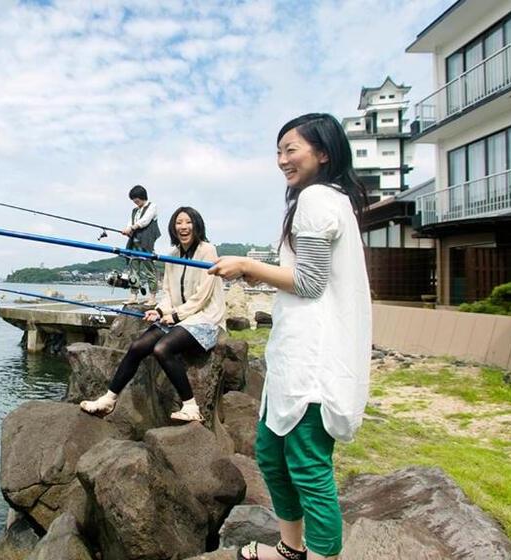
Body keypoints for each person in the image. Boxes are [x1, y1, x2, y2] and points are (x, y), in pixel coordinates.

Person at [209, 113, 371, 560]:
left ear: (323, 153)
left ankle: (320, 554)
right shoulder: (320, 199)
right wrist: (255, 273)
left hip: (314, 359)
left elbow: (311, 281)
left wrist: (246, 265)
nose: (282, 160)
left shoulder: (318, 198)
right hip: (294, 353)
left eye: (291, 150)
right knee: (271, 454)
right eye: (279, 151)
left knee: (306, 464)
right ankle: (290, 548)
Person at [81, 206, 226, 422]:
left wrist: (175, 316)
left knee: (162, 348)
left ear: (197, 225)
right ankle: (109, 400)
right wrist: (159, 310)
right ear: (173, 228)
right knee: (138, 346)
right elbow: (169, 293)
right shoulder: (173, 255)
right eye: (179, 223)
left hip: (205, 318)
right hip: (181, 317)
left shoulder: (208, 251)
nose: (183, 227)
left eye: (188, 222)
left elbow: (202, 296)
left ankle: (191, 407)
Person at [122, 185, 160, 305]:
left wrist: (132, 228)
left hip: (146, 242)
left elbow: (145, 221)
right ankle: (133, 296)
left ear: (142, 196)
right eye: (133, 199)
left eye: (136, 199)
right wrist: (127, 229)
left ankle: (152, 297)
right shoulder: (134, 210)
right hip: (135, 241)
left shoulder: (152, 206)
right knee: (134, 268)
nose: (134, 201)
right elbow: (130, 222)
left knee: (149, 269)